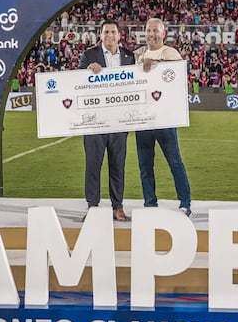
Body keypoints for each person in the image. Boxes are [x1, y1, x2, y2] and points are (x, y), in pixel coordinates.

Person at [133, 17, 192, 216]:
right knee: (145, 165)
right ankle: (150, 203)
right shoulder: (138, 54)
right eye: (149, 30)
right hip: (142, 119)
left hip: (165, 119)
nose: (152, 34)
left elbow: (178, 75)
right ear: (145, 32)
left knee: (175, 162)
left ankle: (185, 203)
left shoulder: (171, 53)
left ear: (164, 33)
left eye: (156, 31)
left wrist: (155, 63)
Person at [78, 19, 135, 222]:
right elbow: (76, 83)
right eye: (106, 32)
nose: (110, 35)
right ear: (100, 35)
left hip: (119, 121)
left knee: (118, 165)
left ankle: (117, 207)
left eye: (113, 32)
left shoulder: (129, 57)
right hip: (95, 120)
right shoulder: (89, 55)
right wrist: (87, 71)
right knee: (93, 164)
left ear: (119, 35)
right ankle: (92, 206)